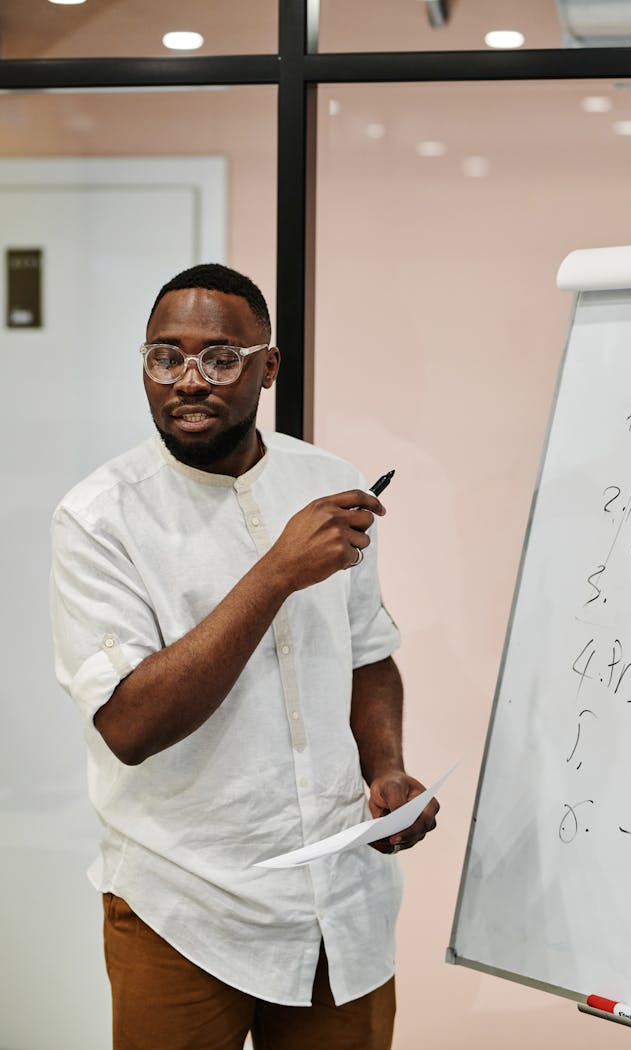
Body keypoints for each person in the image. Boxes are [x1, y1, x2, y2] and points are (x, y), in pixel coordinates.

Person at [50, 263, 438, 1050]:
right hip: (184, 905)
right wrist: (276, 573)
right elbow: (129, 725)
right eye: (165, 356)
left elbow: (367, 654)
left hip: (340, 898)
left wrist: (386, 769)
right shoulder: (98, 519)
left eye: (220, 358)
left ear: (269, 365)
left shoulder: (329, 481)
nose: (189, 380)